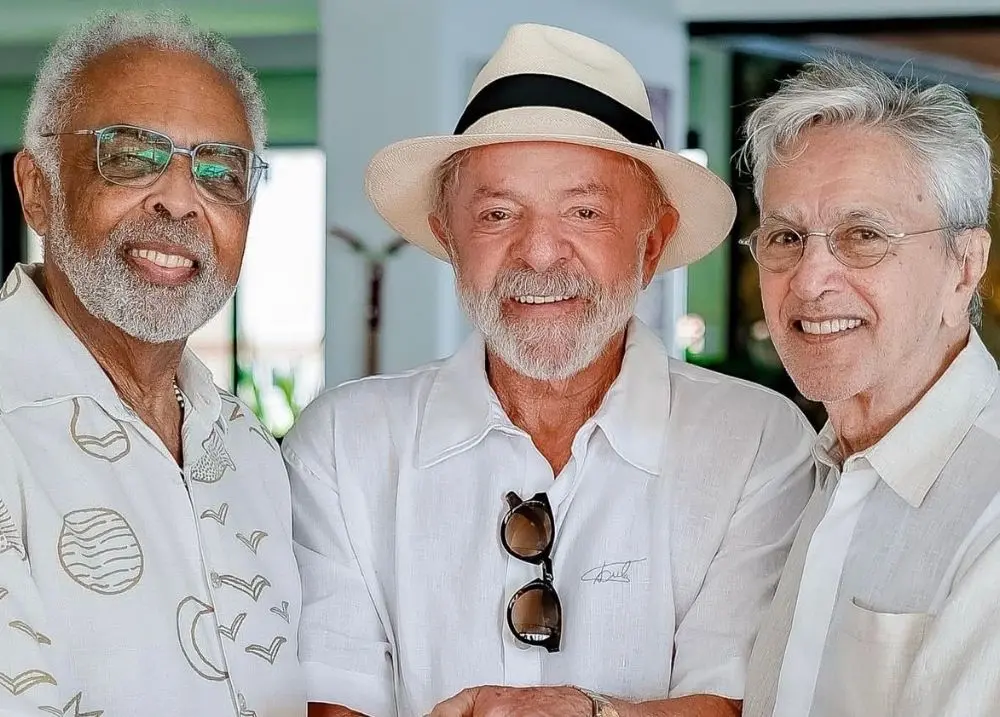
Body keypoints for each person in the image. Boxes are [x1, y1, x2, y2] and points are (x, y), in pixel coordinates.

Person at [284, 23, 815, 717]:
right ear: (448, 236)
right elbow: (332, 701)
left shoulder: (755, 441)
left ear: (651, 243)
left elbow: (732, 704)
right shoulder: (343, 443)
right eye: (497, 213)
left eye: (584, 212)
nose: (538, 252)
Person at [0, 11, 304, 717]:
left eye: (220, 171)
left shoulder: (248, 447)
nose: (179, 200)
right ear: (38, 189)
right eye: (131, 156)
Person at [739, 56, 1000, 717]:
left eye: (864, 235)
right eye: (786, 236)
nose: (809, 280)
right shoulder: (800, 474)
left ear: (964, 266)